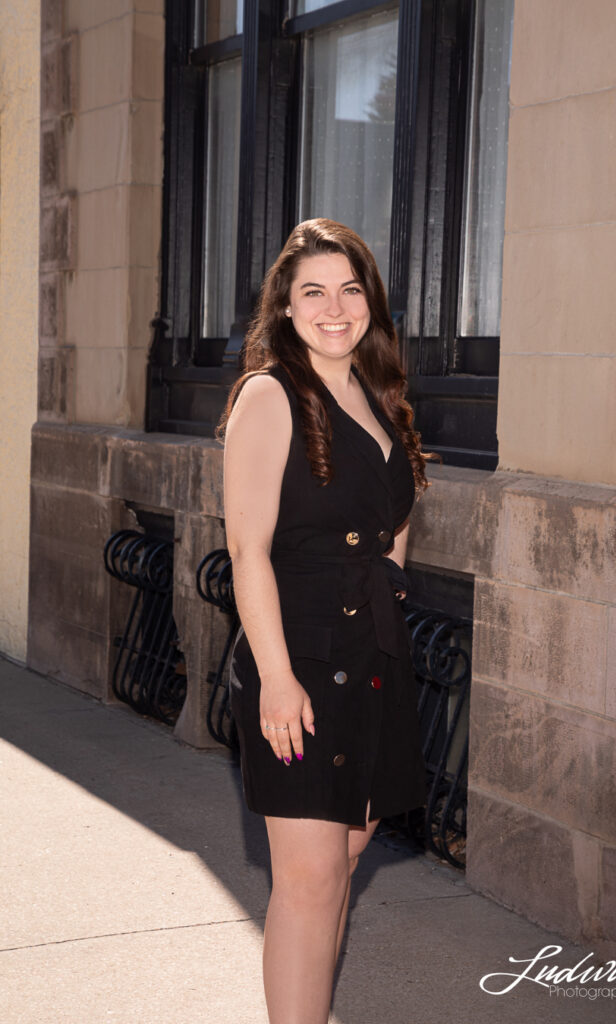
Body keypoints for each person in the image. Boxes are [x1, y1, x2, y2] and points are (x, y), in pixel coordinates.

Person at [218, 218, 439, 1024]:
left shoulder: (379, 397)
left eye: (350, 289)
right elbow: (246, 550)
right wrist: (275, 678)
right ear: (284, 306)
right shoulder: (272, 394)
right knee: (308, 880)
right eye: (313, 291)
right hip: (299, 660)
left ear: (371, 304)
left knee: (342, 859)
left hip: (370, 658)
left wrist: (386, 590)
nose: (334, 307)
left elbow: (391, 528)